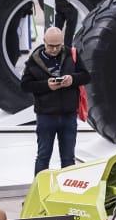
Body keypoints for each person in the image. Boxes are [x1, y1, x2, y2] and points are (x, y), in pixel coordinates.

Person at [21, 26, 90, 173]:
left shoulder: (72, 54)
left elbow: (86, 76)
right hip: (46, 115)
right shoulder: (34, 60)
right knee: (43, 156)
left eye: (57, 46)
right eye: (50, 46)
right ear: (44, 41)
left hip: (69, 115)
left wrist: (72, 79)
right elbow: (25, 85)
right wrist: (46, 85)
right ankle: (39, 191)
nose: (54, 49)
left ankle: (67, 192)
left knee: (68, 158)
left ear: (62, 42)